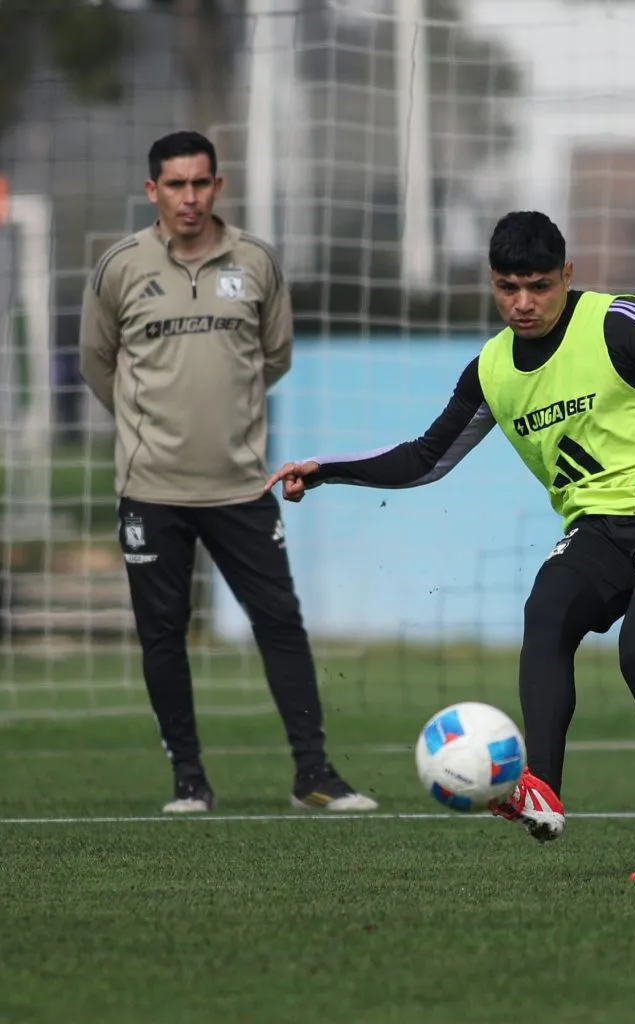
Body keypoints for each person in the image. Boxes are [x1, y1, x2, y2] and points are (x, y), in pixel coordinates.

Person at [265, 210, 635, 881]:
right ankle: (540, 788)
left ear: (567, 276)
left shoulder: (616, 321)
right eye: (508, 287)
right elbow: (427, 458)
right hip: (598, 528)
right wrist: (328, 470)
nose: (523, 302)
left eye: (539, 286)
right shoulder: (492, 368)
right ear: (492, 283)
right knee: (546, 609)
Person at [79, 130, 376, 814]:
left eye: (200, 183)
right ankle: (189, 781)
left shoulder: (256, 262)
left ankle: (314, 775)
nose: (189, 197)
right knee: (163, 635)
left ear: (218, 185)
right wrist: (147, 423)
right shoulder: (120, 266)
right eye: (175, 184)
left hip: (241, 485)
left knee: (281, 624)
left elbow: (275, 356)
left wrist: (226, 415)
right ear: (152, 190)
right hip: (151, 489)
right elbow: (98, 361)